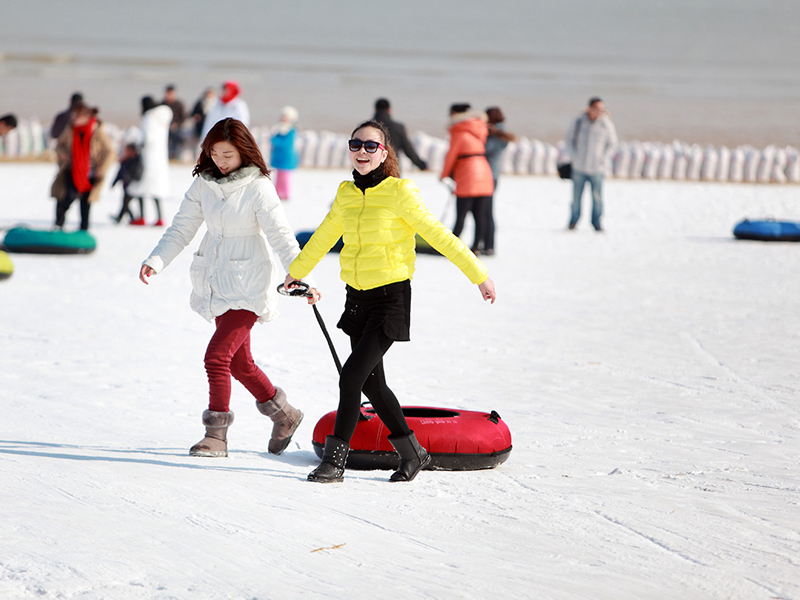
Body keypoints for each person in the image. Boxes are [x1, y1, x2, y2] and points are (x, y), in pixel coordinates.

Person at [285, 120, 496, 484]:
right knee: (372, 385)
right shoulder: (346, 194)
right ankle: (414, 453)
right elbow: (322, 237)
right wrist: (296, 272)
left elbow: (439, 235)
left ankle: (335, 462)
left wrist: (478, 275)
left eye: (371, 146)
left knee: (351, 377)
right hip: (357, 299)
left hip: (390, 299)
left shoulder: (401, 192)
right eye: (356, 145)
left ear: (384, 153)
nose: (362, 152)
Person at [139, 118, 311, 458]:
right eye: (214, 153)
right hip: (216, 279)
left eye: (228, 154)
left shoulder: (258, 186)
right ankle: (285, 415)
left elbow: (280, 235)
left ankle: (215, 436)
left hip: (249, 281)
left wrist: (302, 275)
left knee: (216, 358)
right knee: (240, 363)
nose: (220, 160)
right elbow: (182, 228)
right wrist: (156, 259)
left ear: (244, 152)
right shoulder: (204, 184)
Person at [440, 103, 495, 255]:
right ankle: (477, 246)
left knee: (461, 213)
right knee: (480, 215)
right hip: (484, 170)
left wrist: (444, 174)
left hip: (467, 172)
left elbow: (451, 156)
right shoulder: (479, 128)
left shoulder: (458, 131)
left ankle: (452, 245)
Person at [51, 102, 114, 231]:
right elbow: (59, 145)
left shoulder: (97, 130)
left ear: (86, 117)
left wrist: (100, 169)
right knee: (66, 198)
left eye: (77, 116)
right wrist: (62, 154)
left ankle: (84, 229)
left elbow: (110, 152)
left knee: (86, 203)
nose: (74, 119)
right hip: (72, 170)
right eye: (73, 116)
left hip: (90, 173)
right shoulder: (70, 129)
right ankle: (58, 225)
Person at [564, 97, 618, 231]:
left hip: (597, 168)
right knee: (576, 198)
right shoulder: (578, 122)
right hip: (579, 167)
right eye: (596, 109)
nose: (599, 112)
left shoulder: (606, 124)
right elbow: (569, 140)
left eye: (602, 109)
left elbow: (612, 144)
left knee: (597, 197)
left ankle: (597, 222)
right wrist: (574, 157)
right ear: (589, 108)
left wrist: (603, 160)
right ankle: (573, 221)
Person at [127, 96, 172, 226]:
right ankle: (159, 217)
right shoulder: (162, 118)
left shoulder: (148, 118)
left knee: (140, 187)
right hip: (160, 158)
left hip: (148, 158)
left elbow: (147, 138)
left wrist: (137, 144)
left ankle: (141, 217)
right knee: (156, 190)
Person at [483, 107, 517, 255]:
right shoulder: (500, 133)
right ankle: (487, 244)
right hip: (492, 175)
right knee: (484, 211)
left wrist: (485, 134)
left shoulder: (497, 135)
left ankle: (489, 245)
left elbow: (485, 150)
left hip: (489, 175)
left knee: (485, 212)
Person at [372, 98, 427, 172]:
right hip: (392, 169)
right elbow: (408, 149)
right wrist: (421, 165)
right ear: (389, 110)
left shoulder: (366, 128)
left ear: (375, 109)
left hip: (371, 169)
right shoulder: (398, 127)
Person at [269, 106, 299, 200]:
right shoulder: (280, 129)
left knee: (285, 178)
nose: (283, 119)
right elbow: (274, 139)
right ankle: (277, 192)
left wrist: (275, 141)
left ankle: (285, 194)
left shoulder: (291, 131)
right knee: (278, 176)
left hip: (286, 158)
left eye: (285, 117)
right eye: (282, 116)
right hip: (279, 158)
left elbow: (286, 143)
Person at [111, 142, 144, 224]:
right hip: (126, 185)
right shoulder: (125, 160)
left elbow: (137, 173)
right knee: (125, 203)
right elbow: (120, 173)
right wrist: (114, 183)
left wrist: (129, 178)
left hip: (133, 185)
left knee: (126, 202)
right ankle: (125, 218)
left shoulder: (137, 160)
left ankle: (133, 218)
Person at [162, 84, 186, 160]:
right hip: (165, 126)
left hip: (177, 126)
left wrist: (177, 124)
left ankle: (174, 154)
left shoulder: (179, 104)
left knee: (177, 135)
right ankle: (167, 155)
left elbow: (183, 117)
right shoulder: (162, 104)